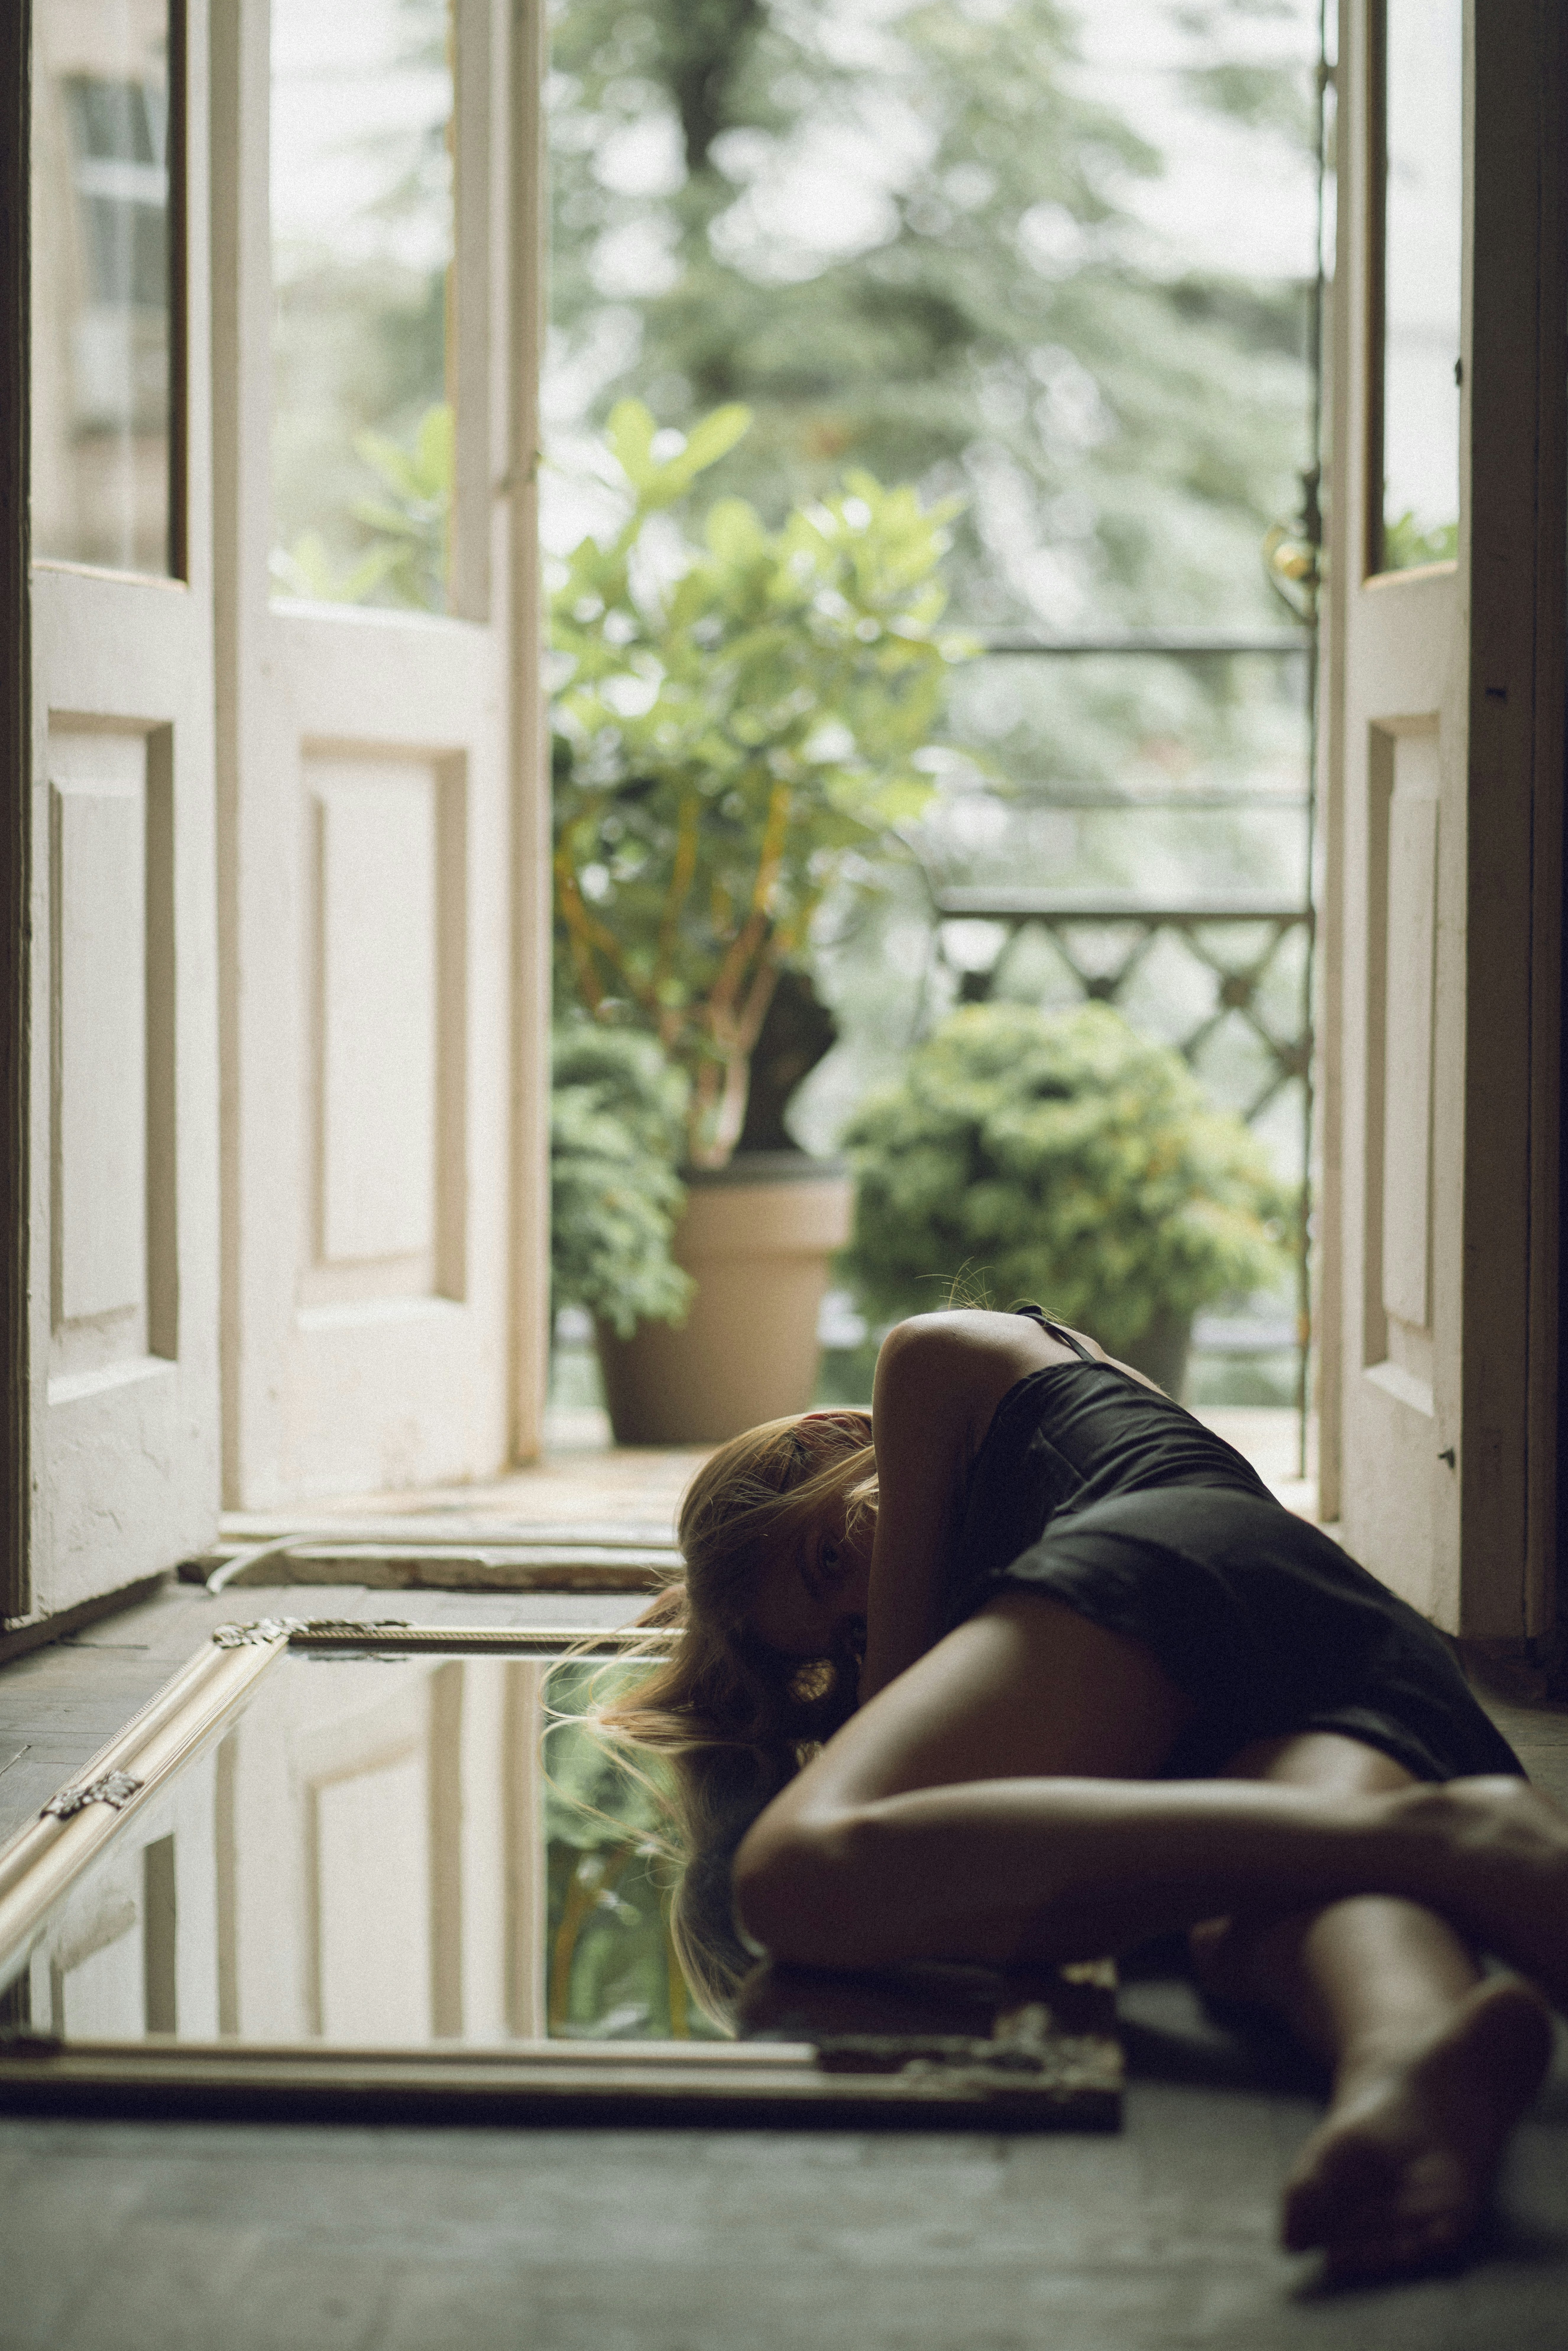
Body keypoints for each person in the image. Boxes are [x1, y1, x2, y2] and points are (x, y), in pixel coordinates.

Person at [600, 1306, 1566, 2284]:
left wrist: (861, 1686)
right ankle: (1407, 2055)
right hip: (1299, 1654)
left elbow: (899, 1716)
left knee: (797, 1876)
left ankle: (1448, 1842)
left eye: (829, 1563)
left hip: (1177, 1557)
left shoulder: (934, 1354)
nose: (864, 1607)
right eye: (840, 1636)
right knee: (1271, 1902)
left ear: (832, 1439)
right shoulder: (1038, 1621)